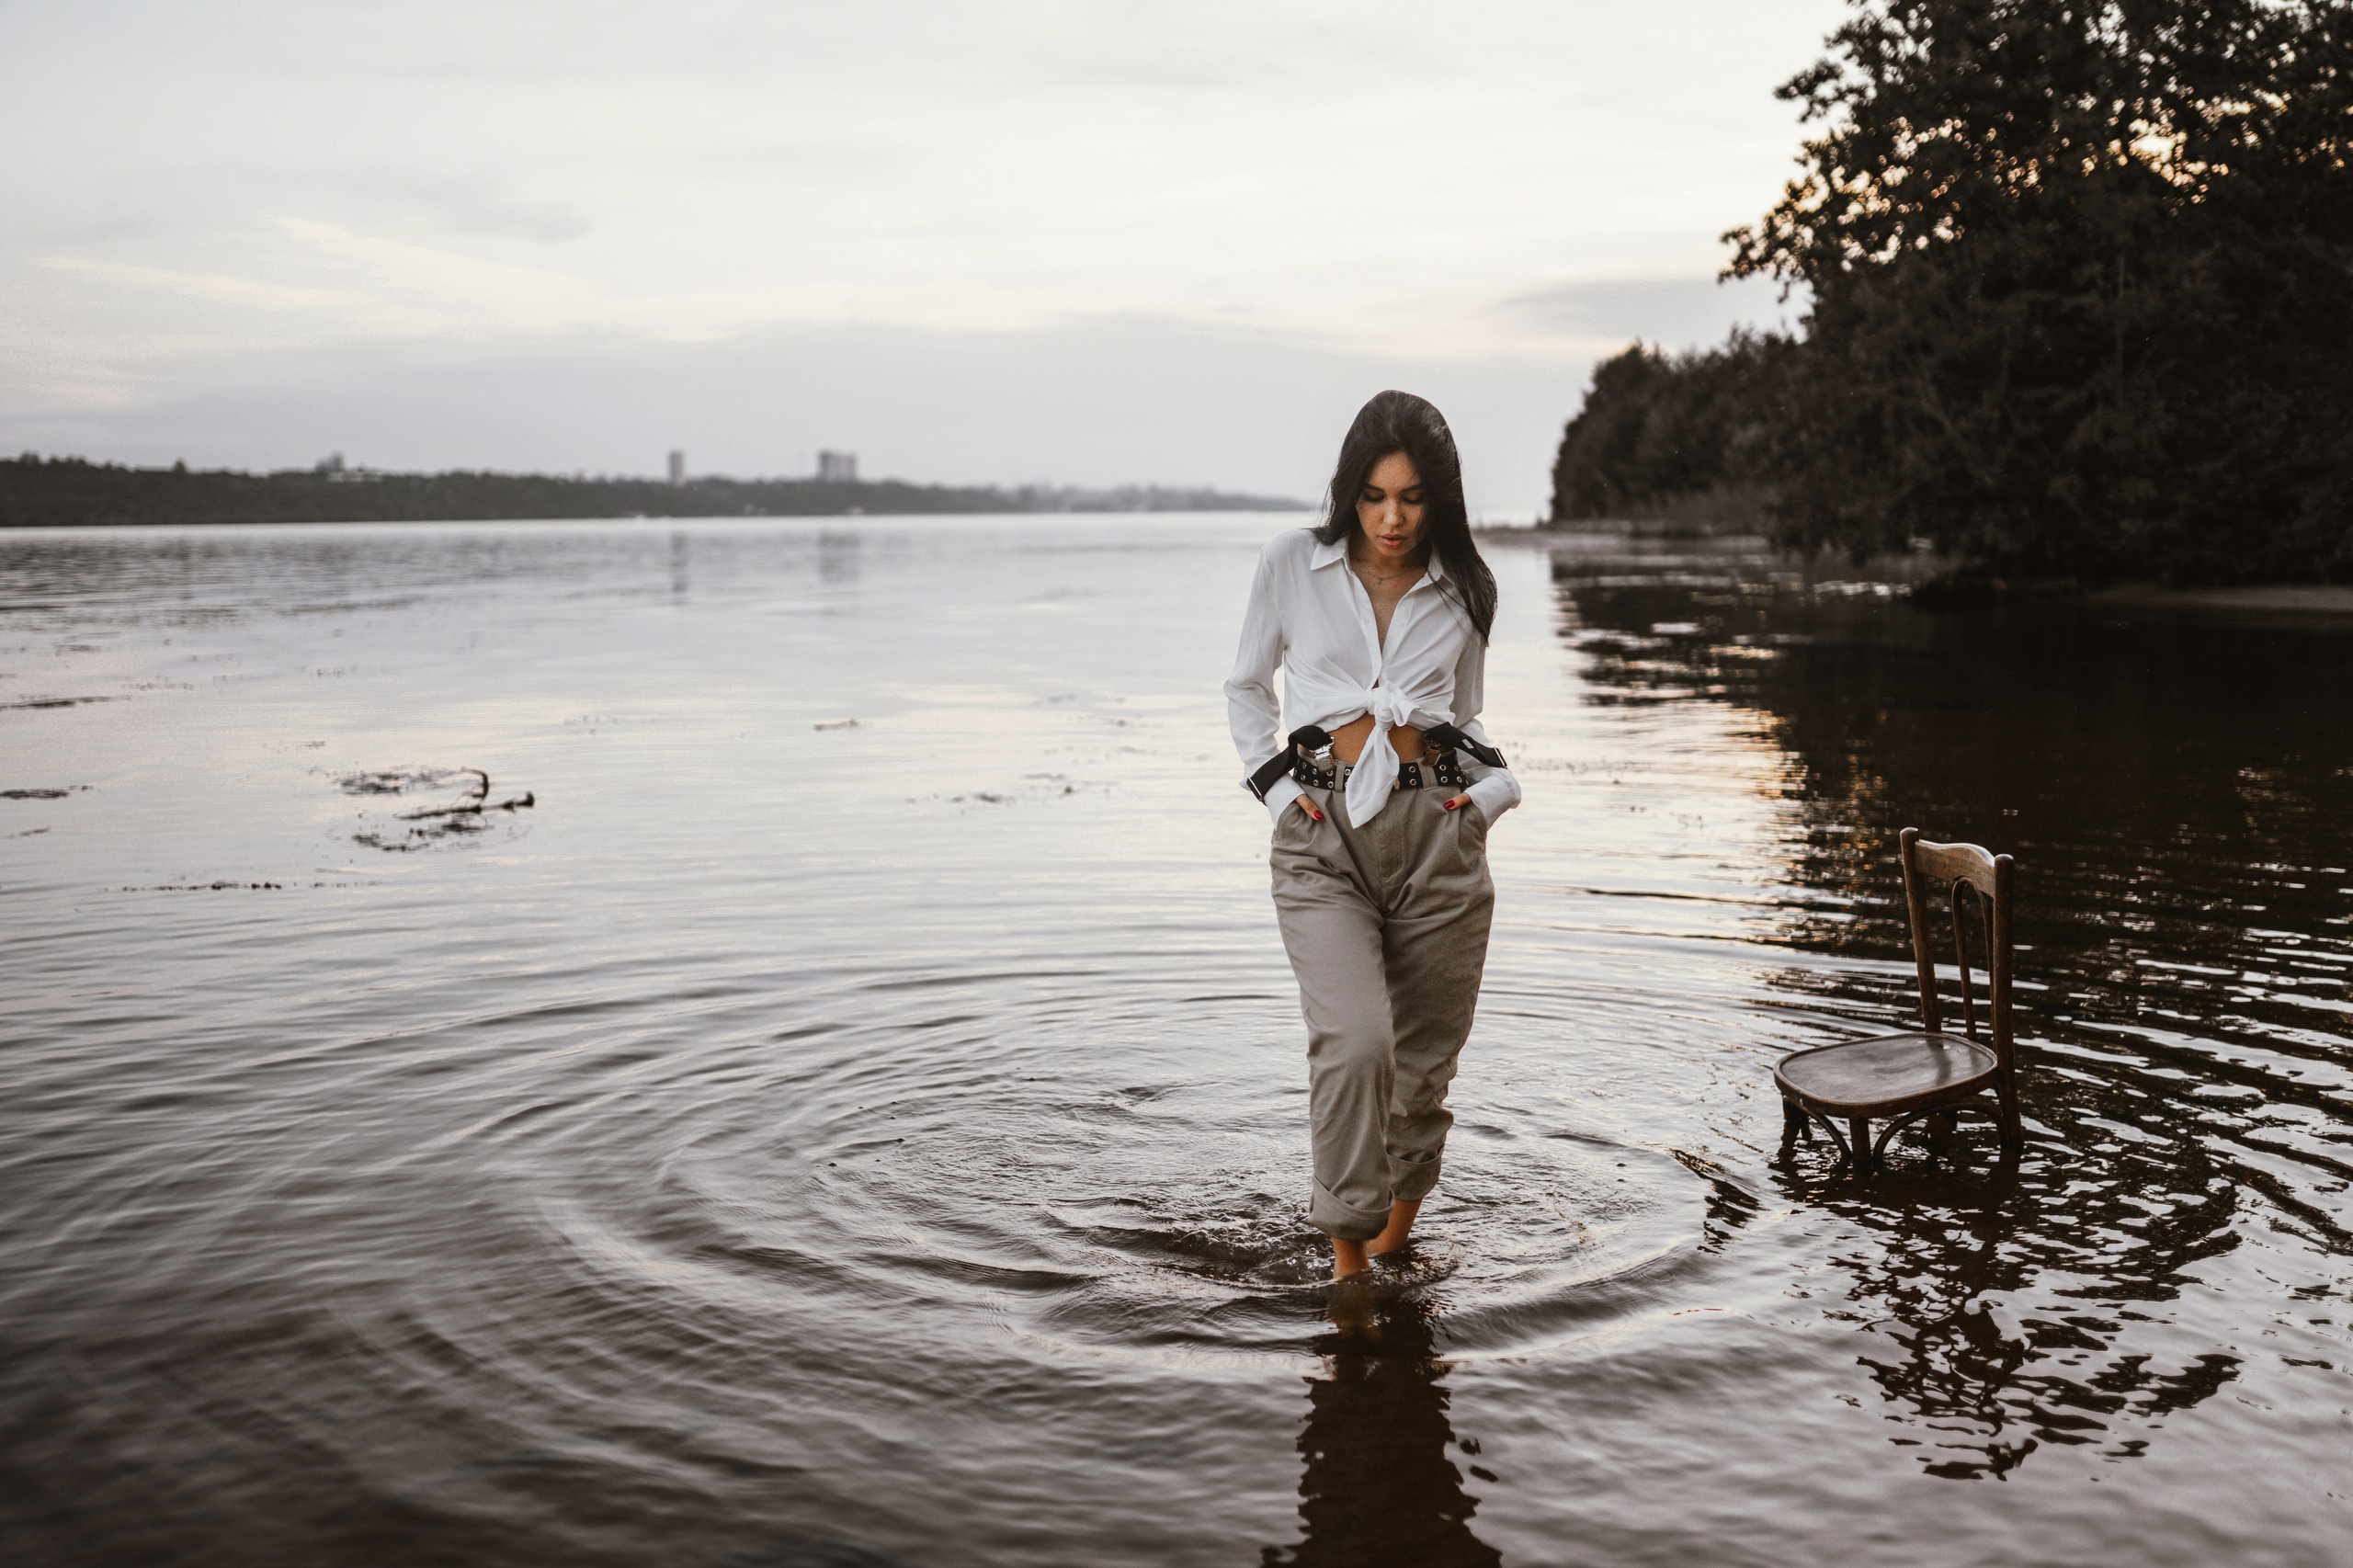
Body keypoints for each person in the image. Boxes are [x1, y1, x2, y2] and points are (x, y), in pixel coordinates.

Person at [1225, 390, 1520, 1278]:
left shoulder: (1469, 588)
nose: (1393, 518)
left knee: (1423, 1065)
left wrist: (1489, 802)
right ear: (1348, 493)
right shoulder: (1290, 564)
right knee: (1356, 1042)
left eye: (1414, 498)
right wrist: (1279, 798)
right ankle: (1348, 1264)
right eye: (1374, 496)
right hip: (1322, 833)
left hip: (1438, 832)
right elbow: (1246, 690)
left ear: (1442, 499)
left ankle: (1396, 1247)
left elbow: (1461, 720)